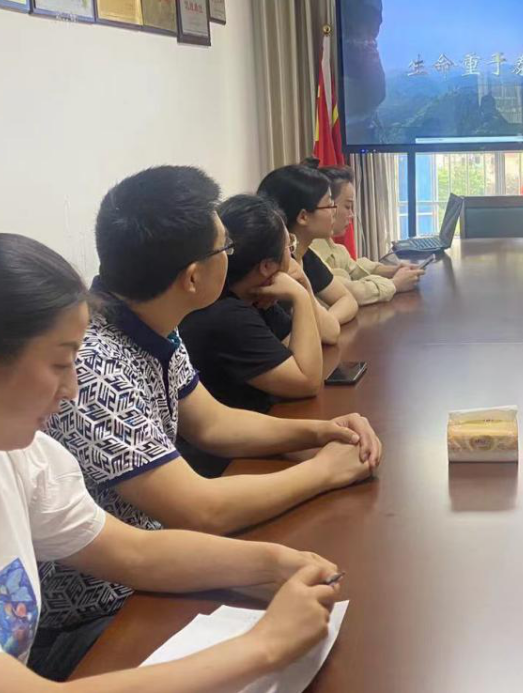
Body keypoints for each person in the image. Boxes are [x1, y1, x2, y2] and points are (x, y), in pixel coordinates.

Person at [0, 234, 344, 691]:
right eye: (61, 363)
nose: (71, 388)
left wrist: (275, 563)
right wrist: (265, 646)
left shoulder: (12, 458)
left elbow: (135, 553)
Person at [40, 167, 381, 671]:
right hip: (100, 615)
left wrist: (321, 431)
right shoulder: (92, 367)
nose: (231, 255)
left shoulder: (151, 322)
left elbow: (213, 423)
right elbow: (199, 509)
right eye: (224, 248)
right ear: (193, 278)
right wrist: (324, 470)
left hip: (156, 572)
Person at [182, 193, 327, 417]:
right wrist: (301, 297)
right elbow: (307, 381)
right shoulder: (226, 314)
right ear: (267, 266)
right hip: (236, 437)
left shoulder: (253, 295)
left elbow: (314, 346)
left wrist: (305, 287)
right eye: (288, 246)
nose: (292, 254)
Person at [257, 164, 360, 333]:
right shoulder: (277, 267)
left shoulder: (304, 254)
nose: (334, 212)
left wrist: (327, 320)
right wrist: (324, 324)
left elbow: (347, 300)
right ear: (303, 216)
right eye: (329, 205)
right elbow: (329, 332)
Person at [311, 164, 424, 305]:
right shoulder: (309, 255)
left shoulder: (331, 247)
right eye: (347, 206)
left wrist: (394, 270)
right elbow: (349, 292)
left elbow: (353, 268)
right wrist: (395, 283)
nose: (352, 214)